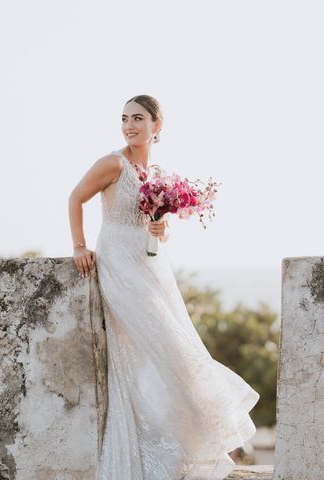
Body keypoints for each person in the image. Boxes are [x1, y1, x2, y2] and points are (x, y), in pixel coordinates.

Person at [67, 95, 260, 479]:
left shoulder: (155, 173)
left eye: (138, 118)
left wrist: (161, 228)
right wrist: (78, 245)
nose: (129, 125)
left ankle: (176, 450)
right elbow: (76, 197)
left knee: (171, 352)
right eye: (124, 119)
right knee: (163, 348)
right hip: (119, 264)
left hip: (152, 266)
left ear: (157, 125)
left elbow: (157, 227)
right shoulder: (112, 163)